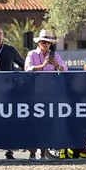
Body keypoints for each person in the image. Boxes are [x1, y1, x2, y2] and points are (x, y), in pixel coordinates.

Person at [24, 29, 67, 160]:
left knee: (46, 122)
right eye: (43, 42)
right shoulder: (32, 54)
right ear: (39, 42)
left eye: (48, 42)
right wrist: (42, 65)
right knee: (34, 122)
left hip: (49, 93)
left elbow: (65, 69)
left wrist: (57, 66)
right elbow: (28, 68)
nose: (46, 44)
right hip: (34, 93)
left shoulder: (54, 55)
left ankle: (42, 152)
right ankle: (32, 152)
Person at [0, 25, 25, 159]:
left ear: (3, 36)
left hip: (8, 92)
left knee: (8, 120)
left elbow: (23, 65)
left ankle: (9, 150)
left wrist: (17, 80)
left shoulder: (10, 50)